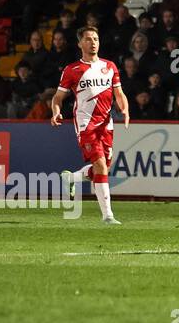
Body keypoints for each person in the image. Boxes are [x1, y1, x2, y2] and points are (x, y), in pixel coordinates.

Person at [52, 27, 130, 225]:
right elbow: (58, 97)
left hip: (106, 124)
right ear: (80, 44)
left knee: (102, 169)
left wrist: (125, 110)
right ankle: (108, 216)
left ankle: (72, 179)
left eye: (95, 38)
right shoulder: (72, 70)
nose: (93, 42)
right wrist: (56, 111)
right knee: (100, 166)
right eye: (88, 39)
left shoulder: (110, 66)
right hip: (86, 124)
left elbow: (119, 94)